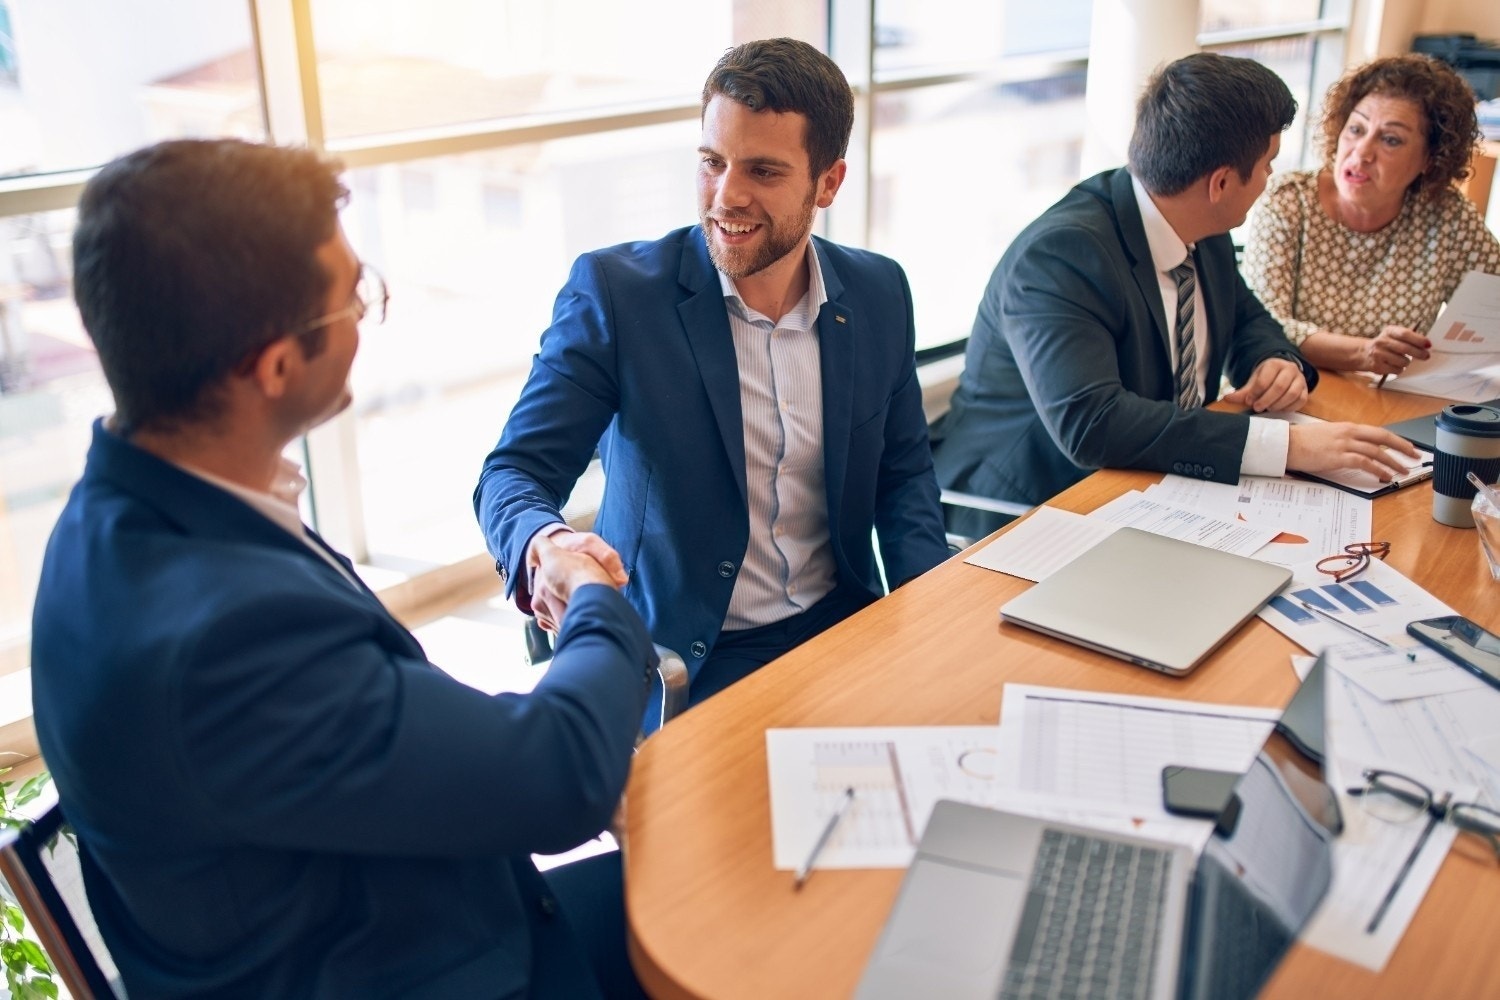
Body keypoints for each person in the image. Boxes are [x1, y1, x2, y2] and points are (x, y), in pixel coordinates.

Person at [31, 138, 657, 1000]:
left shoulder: (113, 514)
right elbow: (561, 779)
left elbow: (378, 726)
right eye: (353, 296)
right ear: (274, 364)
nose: (366, 313)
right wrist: (592, 598)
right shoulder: (226, 636)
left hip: (360, 900)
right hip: (408, 965)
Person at [475, 38, 949, 707]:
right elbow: (513, 473)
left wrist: (934, 618)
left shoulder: (879, 292)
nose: (726, 197)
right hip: (688, 659)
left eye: (763, 171)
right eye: (712, 162)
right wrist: (546, 544)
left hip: (841, 627)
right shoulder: (617, 296)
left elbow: (903, 478)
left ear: (829, 183)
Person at [931, 53, 1419, 537]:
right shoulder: (1062, 255)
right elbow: (1093, 424)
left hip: (1153, 486)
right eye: (1268, 165)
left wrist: (1273, 360)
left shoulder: (1202, 222)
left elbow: (1246, 318)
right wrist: (1289, 446)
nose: (1270, 180)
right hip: (1024, 510)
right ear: (1221, 182)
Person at [1244, 54, 1500, 376]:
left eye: (1390, 139)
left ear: (1431, 158)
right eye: (1356, 129)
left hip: (1392, 397)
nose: (1362, 152)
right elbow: (1262, 327)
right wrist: (1362, 353)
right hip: (1292, 389)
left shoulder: (1445, 215)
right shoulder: (1289, 202)